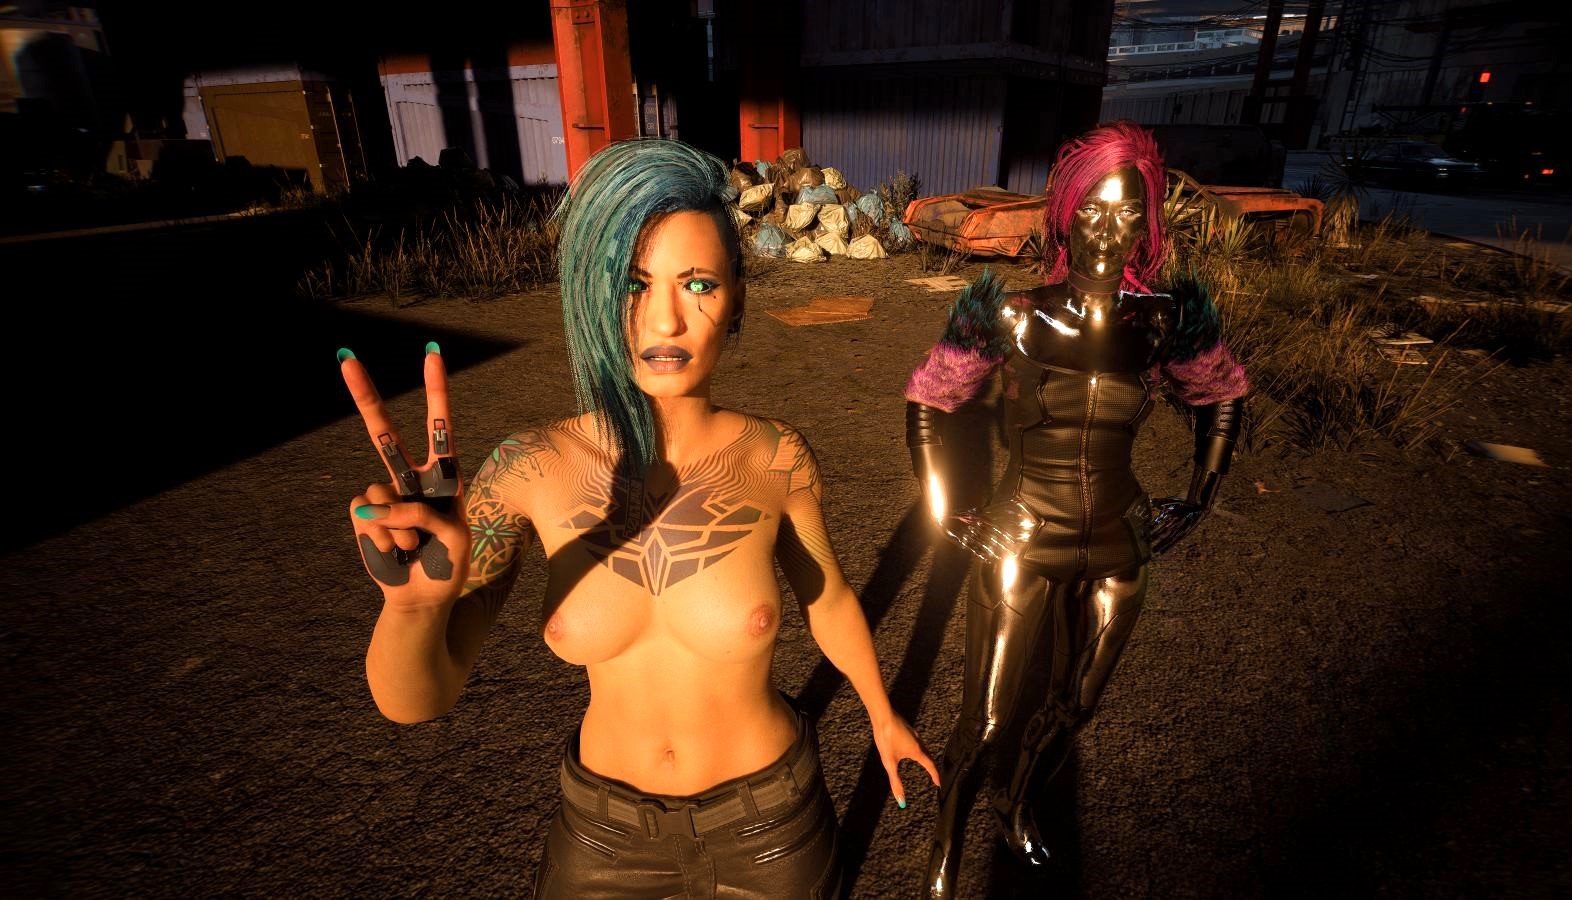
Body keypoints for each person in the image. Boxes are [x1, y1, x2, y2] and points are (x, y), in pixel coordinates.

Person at [338, 138, 937, 898]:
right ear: (591, 294)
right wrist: (414, 610)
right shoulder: (527, 468)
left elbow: (829, 598)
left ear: (737, 298)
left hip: (773, 829)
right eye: (632, 283)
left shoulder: (775, 457)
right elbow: (416, 703)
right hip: (602, 840)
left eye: (698, 284)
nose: (665, 320)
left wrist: (882, 714)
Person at [903, 122, 1249, 898]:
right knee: (985, 719)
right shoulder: (1009, 310)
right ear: (1066, 213)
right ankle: (945, 847)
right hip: (1022, 534)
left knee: (1074, 706)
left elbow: (1221, 395)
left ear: (1145, 222)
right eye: (1092, 207)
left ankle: (1014, 804)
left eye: (1126, 211)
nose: (1107, 228)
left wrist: (1201, 494)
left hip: (1120, 540)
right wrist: (949, 512)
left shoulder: (1164, 316)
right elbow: (929, 400)